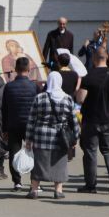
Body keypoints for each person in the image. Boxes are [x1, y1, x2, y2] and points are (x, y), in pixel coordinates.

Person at [75, 48, 109, 194]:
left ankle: (91, 185)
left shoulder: (89, 76)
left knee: (90, 151)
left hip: (91, 119)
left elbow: (80, 98)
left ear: (95, 59)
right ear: (107, 57)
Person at [25, 71, 79, 199]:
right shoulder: (67, 99)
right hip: (60, 137)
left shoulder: (40, 98)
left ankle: (34, 190)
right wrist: (75, 137)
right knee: (59, 162)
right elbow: (74, 120)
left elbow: (31, 119)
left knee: (38, 163)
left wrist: (28, 139)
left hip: (40, 136)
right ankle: (58, 190)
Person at [1, 56, 38, 191]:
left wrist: (4, 129)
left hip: (13, 124)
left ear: (15, 69)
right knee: (33, 152)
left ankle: (17, 182)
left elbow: (4, 109)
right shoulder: (34, 86)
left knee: (14, 153)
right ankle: (34, 182)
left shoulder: (9, 87)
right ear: (28, 69)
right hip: (30, 125)